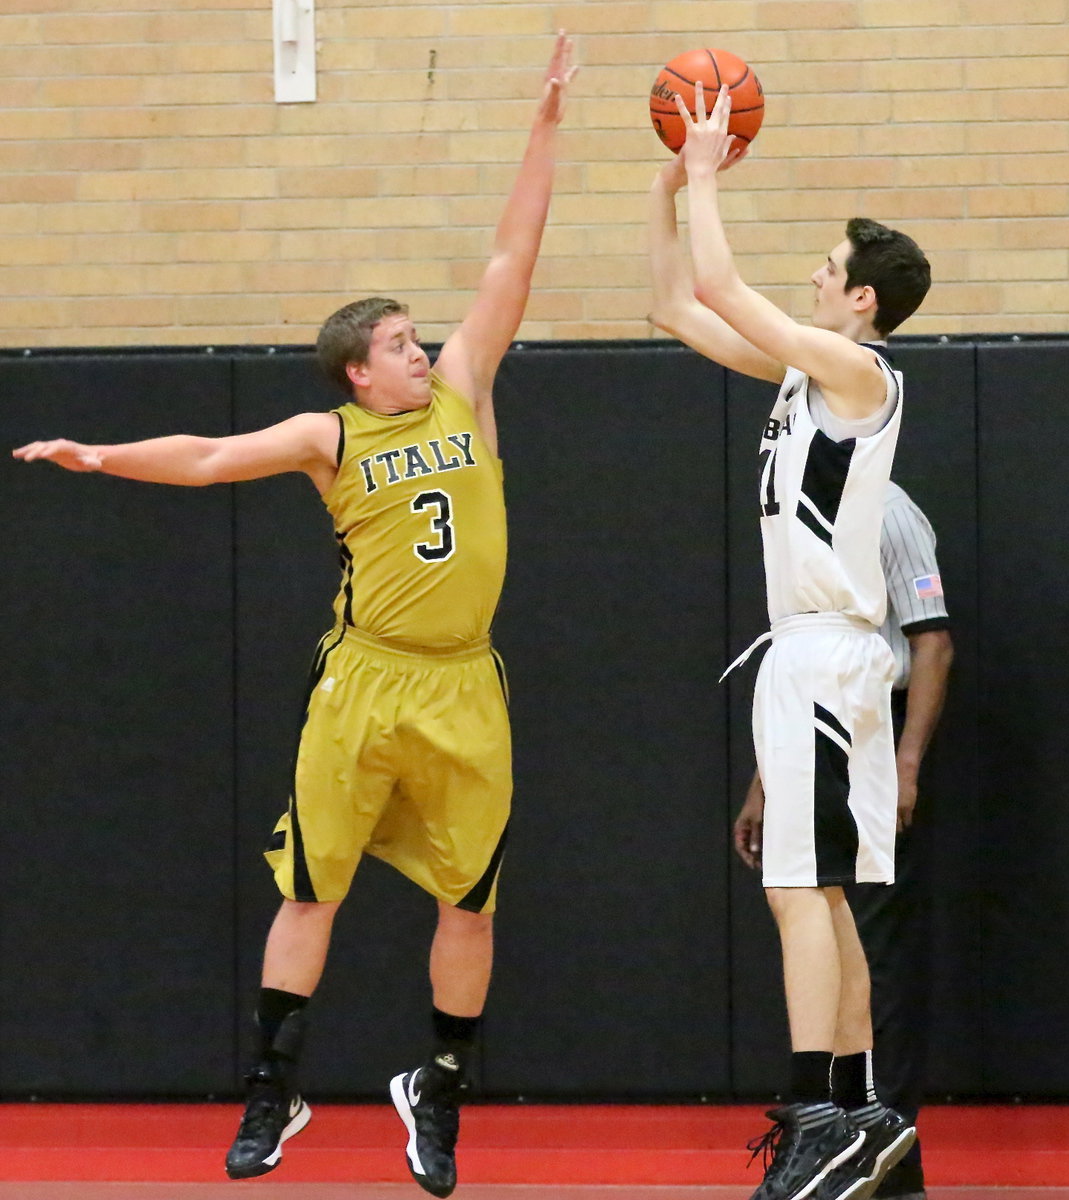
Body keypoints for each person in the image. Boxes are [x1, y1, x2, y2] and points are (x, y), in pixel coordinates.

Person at [13, 33, 576, 1198]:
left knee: (469, 905)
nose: (420, 353)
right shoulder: (331, 438)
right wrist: (99, 454)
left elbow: (510, 255)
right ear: (357, 376)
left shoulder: (469, 385)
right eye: (399, 347)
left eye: (417, 340)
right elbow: (213, 454)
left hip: (465, 680)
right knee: (310, 888)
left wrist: (546, 126)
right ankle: (275, 1086)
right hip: (365, 678)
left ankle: (441, 1089)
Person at [647, 82, 932, 1200]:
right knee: (815, 894)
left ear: (860, 299)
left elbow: (723, 282)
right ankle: (861, 1113)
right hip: (811, 656)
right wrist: (667, 187)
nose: (812, 273)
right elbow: (678, 301)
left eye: (824, 264)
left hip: (826, 653)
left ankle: (820, 1114)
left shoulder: (860, 377)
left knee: (793, 892)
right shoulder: (803, 378)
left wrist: (711, 169)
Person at [735, 480, 953, 1200]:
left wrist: (907, 763)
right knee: (825, 919)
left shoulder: (888, 511)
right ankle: (870, 1134)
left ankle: (866, 1131)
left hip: (869, 722)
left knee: (864, 934)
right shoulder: (794, 511)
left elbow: (932, 642)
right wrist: (765, 780)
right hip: (813, 715)